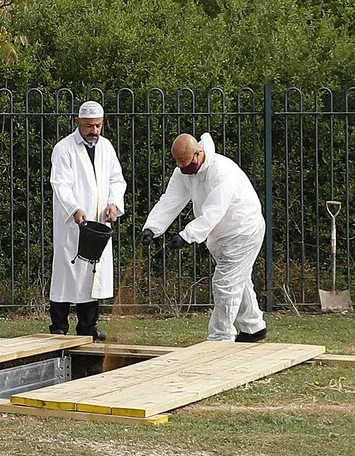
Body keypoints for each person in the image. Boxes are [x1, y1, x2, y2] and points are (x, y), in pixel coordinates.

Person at [141, 131, 270, 344]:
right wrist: (152, 228)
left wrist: (186, 236)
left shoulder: (221, 171)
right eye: (177, 162)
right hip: (221, 234)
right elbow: (171, 199)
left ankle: (220, 337)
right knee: (238, 278)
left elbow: (214, 212)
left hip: (243, 229)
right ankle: (253, 326)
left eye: (184, 160)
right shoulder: (184, 171)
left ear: (198, 153)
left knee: (225, 282)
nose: (181, 166)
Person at [47, 100, 125, 337]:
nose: (95, 131)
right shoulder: (64, 149)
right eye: (90, 126)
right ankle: (59, 326)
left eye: (99, 125)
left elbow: (116, 179)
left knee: (94, 274)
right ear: (78, 122)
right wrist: (74, 208)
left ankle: (88, 327)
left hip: (99, 222)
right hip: (73, 224)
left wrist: (114, 203)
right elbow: (60, 184)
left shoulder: (106, 147)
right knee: (66, 274)